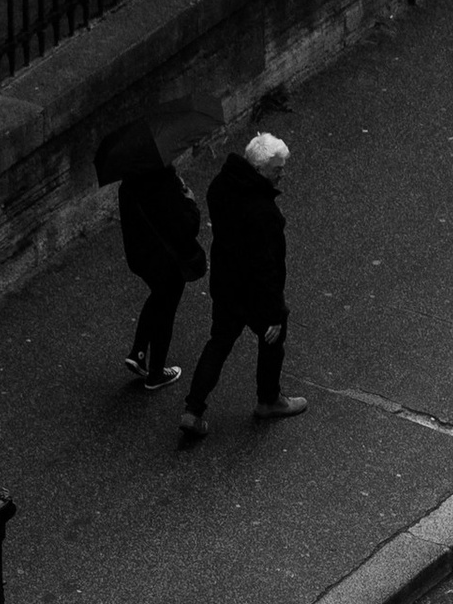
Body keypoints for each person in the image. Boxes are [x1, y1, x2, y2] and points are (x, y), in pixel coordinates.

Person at [179, 130, 310, 446]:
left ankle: (193, 410)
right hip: (253, 294)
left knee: (219, 342)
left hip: (226, 284)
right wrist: (275, 312)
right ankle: (268, 399)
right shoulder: (264, 214)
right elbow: (269, 269)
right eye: (278, 169)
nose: (282, 174)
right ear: (261, 169)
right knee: (273, 336)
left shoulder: (220, 186)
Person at [118, 147, 203, 388]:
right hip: (167, 260)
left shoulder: (128, 184)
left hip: (141, 257)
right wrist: (189, 200)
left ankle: (139, 352)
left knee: (157, 297)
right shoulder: (165, 184)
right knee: (166, 310)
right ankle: (156, 373)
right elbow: (188, 227)